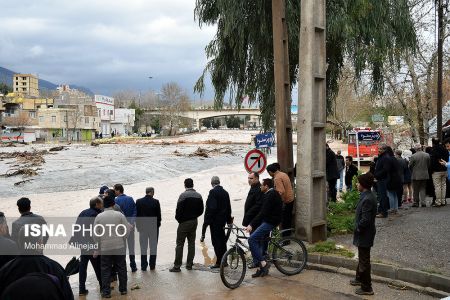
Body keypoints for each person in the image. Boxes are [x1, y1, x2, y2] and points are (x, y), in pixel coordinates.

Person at [0, 227, 74, 300]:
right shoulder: (54, 268)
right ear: (39, 243)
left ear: (19, 242)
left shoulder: (6, 270)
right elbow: (67, 296)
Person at [94, 193, 130, 298]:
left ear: (103, 205)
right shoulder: (119, 215)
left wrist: (99, 243)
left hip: (105, 247)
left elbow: (95, 234)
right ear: (113, 205)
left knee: (105, 269)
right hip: (119, 245)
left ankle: (106, 292)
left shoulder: (99, 217)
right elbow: (126, 230)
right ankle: (123, 290)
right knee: (121, 268)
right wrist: (123, 239)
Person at [245, 178, 282, 278]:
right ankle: (261, 269)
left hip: (270, 222)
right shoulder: (270, 193)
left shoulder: (270, 195)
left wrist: (251, 224)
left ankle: (263, 263)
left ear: (266, 186)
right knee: (259, 243)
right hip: (269, 220)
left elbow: (262, 212)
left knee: (252, 239)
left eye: (262, 185)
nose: (260, 186)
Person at [69, 196, 103, 296]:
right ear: (97, 204)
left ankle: (81, 289)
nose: (102, 205)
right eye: (101, 203)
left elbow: (77, 228)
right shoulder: (96, 214)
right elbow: (95, 233)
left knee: (83, 267)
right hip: (91, 245)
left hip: (82, 244)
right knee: (98, 266)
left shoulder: (83, 212)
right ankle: (103, 287)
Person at [350, 173, 377, 296]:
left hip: (365, 233)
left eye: (359, 183)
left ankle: (367, 287)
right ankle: (359, 278)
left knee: (364, 260)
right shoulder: (367, 195)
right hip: (364, 233)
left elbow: (365, 220)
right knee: (362, 257)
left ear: (363, 185)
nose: (357, 184)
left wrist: (358, 228)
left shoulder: (367, 199)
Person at [169, 178, 204, 272]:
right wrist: (195, 216)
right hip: (194, 221)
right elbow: (201, 210)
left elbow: (178, 210)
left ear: (185, 185)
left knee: (180, 244)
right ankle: (189, 265)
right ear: (193, 184)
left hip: (184, 222)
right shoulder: (199, 196)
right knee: (191, 243)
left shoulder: (183, 196)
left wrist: (179, 220)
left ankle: (177, 266)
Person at [204, 176, 232, 269]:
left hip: (215, 221)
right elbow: (228, 208)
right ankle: (225, 261)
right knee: (222, 241)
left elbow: (211, 208)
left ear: (212, 183)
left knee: (216, 242)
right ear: (219, 182)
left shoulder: (213, 192)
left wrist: (207, 221)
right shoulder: (225, 193)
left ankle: (219, 262)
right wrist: (228, 221)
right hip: (223, 221)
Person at [136, 187, 161, 271]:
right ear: (152, 192)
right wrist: (157, 226)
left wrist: (138, 227)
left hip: (143, 227)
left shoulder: (139, 201)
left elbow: (137, 216)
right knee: (153, 247)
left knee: (143, 247)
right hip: (153, 227)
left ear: (146, 192)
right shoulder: (156, 202)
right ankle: (152, 265)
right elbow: (159, 216)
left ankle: (143, 266)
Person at [114, 183, 137, 272]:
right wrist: (131, 223)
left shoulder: (115, 201)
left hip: (121, 228)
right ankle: (133, 266)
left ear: (118, 190)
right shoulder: (130, 198)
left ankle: (122, 268)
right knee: (131, 247)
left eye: (114, 190)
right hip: (131, 227)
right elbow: (135, 211)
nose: (114, 192)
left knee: (122, 248)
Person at [266, 163, 294, 237]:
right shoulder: (283, 174)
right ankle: (288, 237)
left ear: (270, 172)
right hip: (291, 199)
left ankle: (285, 239)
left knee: (285, 222)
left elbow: (281, 191)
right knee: (288, 220)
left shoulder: (277, 178)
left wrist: (277, 203)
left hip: (286, 202)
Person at [429, 138, 449, 207]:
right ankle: (443, 201)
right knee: (444, 186)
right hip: (444, 169)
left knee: (437, 186)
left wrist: (431, 170)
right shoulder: (445, 150)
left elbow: (432, 162)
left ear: (433, 143)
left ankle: (438, 201)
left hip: (436, 171)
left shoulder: (433, 150)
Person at [374, 144, 392, 218]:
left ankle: (384, 212)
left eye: (380, 149)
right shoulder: (382, 157)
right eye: (379, 149)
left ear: (384, 150)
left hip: (383, 179)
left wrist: (377, 175)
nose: (379, 150)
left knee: (383, 196)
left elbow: (385, 169)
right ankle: (380, 211)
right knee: (381, 196)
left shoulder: (385, 157)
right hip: (380, 179)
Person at [386, 146, 402, 214]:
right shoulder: (394, 159)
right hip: (397, 179)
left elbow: (387, 170)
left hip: (391, 179)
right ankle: (396, 208)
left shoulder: (389, 159)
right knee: (395, 194)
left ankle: (392, 208)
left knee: (390, 194)